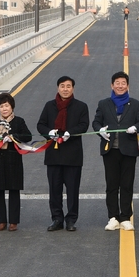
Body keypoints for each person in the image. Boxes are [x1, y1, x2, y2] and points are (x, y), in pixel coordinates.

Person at [92, 71, 139, 231]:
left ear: (128, 86)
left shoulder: (136, 104)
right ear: (112, 85)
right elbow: (96, 122)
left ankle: (125, 217)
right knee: (111, 185)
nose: (120, 85)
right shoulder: (104, 103)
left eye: (123, 83)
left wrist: (136, 128)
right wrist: (100, 130)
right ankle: (113, 217)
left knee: (127, 184)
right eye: (117, 83)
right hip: (110, 150)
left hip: (128, 150)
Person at [37, 75, 90, 232]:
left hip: (73, 155)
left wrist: (69, 133)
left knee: (72, 190)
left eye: (68, 86)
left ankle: (71, 219)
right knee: (55, 189)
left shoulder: (81, 106)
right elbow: (41, 125)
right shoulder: (49, 106)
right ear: (57, 88)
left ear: (73, 88)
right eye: (62, 86)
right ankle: (57, 218)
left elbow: (84, 125)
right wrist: (49, 132)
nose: (65, 89)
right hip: (53, 155)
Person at [0, 92, 32, 232]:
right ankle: (1, 221)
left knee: (14, 190)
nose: (4, 109)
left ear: (12, 107)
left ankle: (14, 221)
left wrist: (13, 137)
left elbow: (27, 135)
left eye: (7, 106)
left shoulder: (19, 121)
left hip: (13, 160)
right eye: (1, 106)